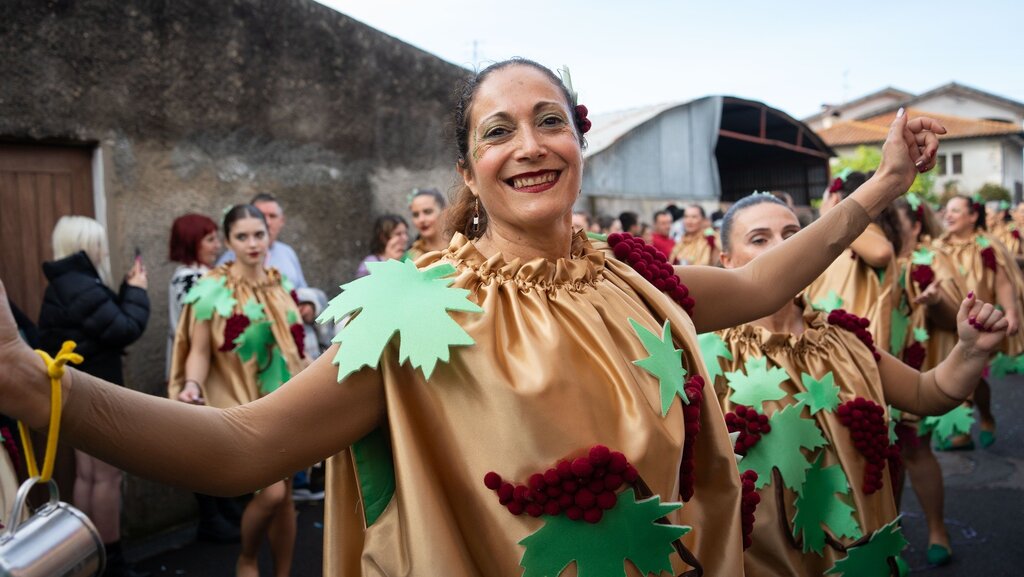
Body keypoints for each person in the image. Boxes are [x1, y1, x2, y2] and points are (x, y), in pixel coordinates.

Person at [0, 58, 944, 577]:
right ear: (467, 169)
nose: (529, 145)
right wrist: (35, 385)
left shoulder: (635, 277)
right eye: (499, 130)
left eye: (550, 120)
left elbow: (770, 277)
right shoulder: (419, 308)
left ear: (579, 141)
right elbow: (241, 445)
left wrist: (883, 186)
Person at [708, 193, 1004, 576]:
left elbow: (926, 393)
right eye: (759, 239)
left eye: (794, 235)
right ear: (726, 260)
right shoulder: (703, 351)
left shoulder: (843, 338)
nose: (783, 248)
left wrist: (970, 351)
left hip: (855, 554)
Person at [169, 205, 304, 577]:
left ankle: (282, 573)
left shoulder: (279, 284)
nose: (252, 243)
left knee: (286, 497)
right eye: (242, 237)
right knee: (272, 493)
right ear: (228, 241)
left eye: (258, 234)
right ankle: (247, 558)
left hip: (283, 401)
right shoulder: (211, 288)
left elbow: (294, 347)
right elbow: (198, 352)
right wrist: (191, 384)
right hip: (240, 403)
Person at [37, 215, 149, 577]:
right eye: (99, 242)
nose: (103, 249)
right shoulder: (80, 286)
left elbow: (104, 324)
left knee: (88, 475)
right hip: (95, 392)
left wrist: (125, 289)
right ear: (86, 245)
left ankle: (89, 558)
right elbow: (124, 328)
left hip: (77, 391)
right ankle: (110, 561)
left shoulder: (68, 284)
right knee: (106, 476)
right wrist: (138, 291)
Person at [889, 196, 966, 565]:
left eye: (893, 220)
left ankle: (937, 528)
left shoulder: (931, 260)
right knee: (880, 457)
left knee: (915, 449)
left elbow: (956, 320)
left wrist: (935, 301)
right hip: (871, 369)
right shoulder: (862, 261)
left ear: (916, 225)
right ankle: (888, 533)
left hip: (917, 368)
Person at [934, 195, 1024, 449]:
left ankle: (975, 424)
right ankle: (972, 424)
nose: (948, 215)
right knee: (957, 374)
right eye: (947, 210)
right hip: (947, 324)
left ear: (973, 216)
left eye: (955, 210)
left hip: (980, 325)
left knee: (970, 377)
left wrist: (1011, 312)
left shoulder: (987, 245)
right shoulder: (937, 247)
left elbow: (1003, 282)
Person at [805, 173, 897, 349]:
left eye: (824, 200)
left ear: (834, 198)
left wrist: (832, 216)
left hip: (856, 346)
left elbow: (881, 252)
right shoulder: (845, 236)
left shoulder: (865, 230)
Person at [167, 214, 221, 376]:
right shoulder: (189, 279)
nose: (218, 245)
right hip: (196, 369)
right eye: (210, 240)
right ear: (191, 243)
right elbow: (197, 328)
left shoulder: (205, 273)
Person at [219, 193, 307, 289]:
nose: (268, 222)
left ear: (282, 220)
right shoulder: (225, 266)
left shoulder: (287, 252)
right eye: (242, 237)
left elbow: (302, 288)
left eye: (272, 216)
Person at [406, 188, 449, 260]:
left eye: (427, 212)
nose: (421, 220)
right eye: (416, 215)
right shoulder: (409, 258)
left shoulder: (461, 247)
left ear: (444, 211)